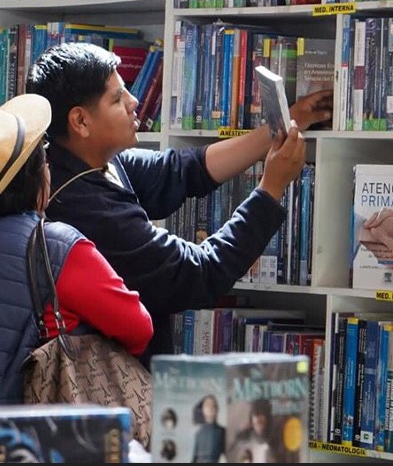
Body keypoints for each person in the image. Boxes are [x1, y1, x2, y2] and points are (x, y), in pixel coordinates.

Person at [25, 43, 332, 361]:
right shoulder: (87, 209)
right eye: (117, 99)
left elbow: (183, 170)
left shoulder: (87, 161)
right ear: (80, 121)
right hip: (108, 391)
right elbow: (200, 273)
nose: (135, 102)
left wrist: (282, 126)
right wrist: (271, 189)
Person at [0, 96, 153, 406]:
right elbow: (139, 329)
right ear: (34, 176)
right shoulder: (57, 249)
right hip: (31, 437)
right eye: (43, 158)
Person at [230, 399, 279, 463]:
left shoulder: (273, 438)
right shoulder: (243, 438)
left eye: (261, 422)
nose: (258, 422)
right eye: (256, 423)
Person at [191, 394, 226, 463]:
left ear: (217, 409)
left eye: (213, 405)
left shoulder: (222, 432)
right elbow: (194, 459)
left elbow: (231, 456)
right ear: (203, 410)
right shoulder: (199, 433)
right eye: (207, 405)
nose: (210, 408)